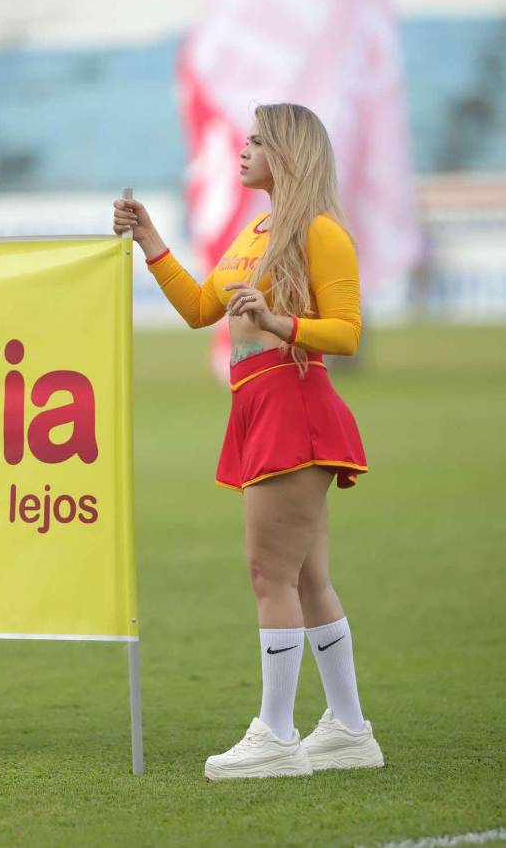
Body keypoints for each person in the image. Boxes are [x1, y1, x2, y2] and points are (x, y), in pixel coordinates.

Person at [113, 102, 384, 781]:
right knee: (304, 576)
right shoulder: (255, 227)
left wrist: (279, 320)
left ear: (288, 153)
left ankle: (277, 735)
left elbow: (346, 332)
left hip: (292, 401)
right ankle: (348, 730)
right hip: (258, 400)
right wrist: (151, 241)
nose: (243, 149)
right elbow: (200, 308)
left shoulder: (320, 232)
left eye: (258, 141)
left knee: (269, 574)